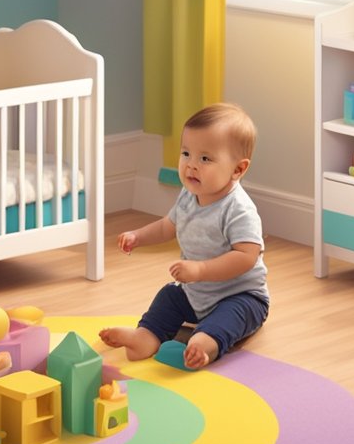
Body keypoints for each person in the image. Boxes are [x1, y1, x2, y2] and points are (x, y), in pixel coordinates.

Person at [100, 103, 269, 369]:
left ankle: (204, 346)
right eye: (186, 153)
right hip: (196, 293)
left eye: (205, 159)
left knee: (222, 322)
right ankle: (146, 336)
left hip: (241, 296)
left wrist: (201, 269)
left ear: (238, 169)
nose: (191, 166)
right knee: (169, 297)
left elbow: (246, 256)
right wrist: (138, 236)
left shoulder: (238, 209)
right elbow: (169, 226)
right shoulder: (190, 195)